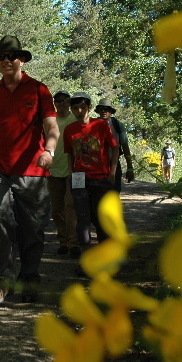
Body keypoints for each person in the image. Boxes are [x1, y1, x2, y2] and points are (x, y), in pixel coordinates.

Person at [0, 35, 59, 305]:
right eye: (1, 57)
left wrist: (50, 151)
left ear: (21, 60)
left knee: (32, 228)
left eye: (11, 56)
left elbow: (52, 128)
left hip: (32, 172)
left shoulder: (38, 90)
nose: (6, 61)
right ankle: (2, 282)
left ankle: (30, 279)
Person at [65, 92, 119, 250]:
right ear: (72, 110)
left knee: (102, 218)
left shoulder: (101, 125)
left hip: (101, 178)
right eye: (75, 108)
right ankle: (87, 257)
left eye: (82, 107)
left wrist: (112, 172)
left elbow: (115, 147)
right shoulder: (69, 129)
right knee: (82, 220)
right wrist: (70, 173)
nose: (79, 111)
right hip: (79, 178)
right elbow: (69, 153)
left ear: (89, 108)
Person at [48, 90, 77, 257]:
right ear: (54, 103)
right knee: (57, 209)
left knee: (71, 206)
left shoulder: (75, 119)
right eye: (58, 100)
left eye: (65, 100)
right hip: (54, 170)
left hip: (74, 170)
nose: (61, 103)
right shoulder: (50, 121)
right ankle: (63, 241)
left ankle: (74, 242)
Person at [94, 98, 135, 190]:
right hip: (97, 164)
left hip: (114, 163)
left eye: (107, 109)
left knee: (114, 192)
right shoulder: (93, 125)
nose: (104, 111)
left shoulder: (117, 125)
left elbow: (125, 147)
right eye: (101, 109)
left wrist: (130, 168)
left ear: (111, 111)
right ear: (98, 111)